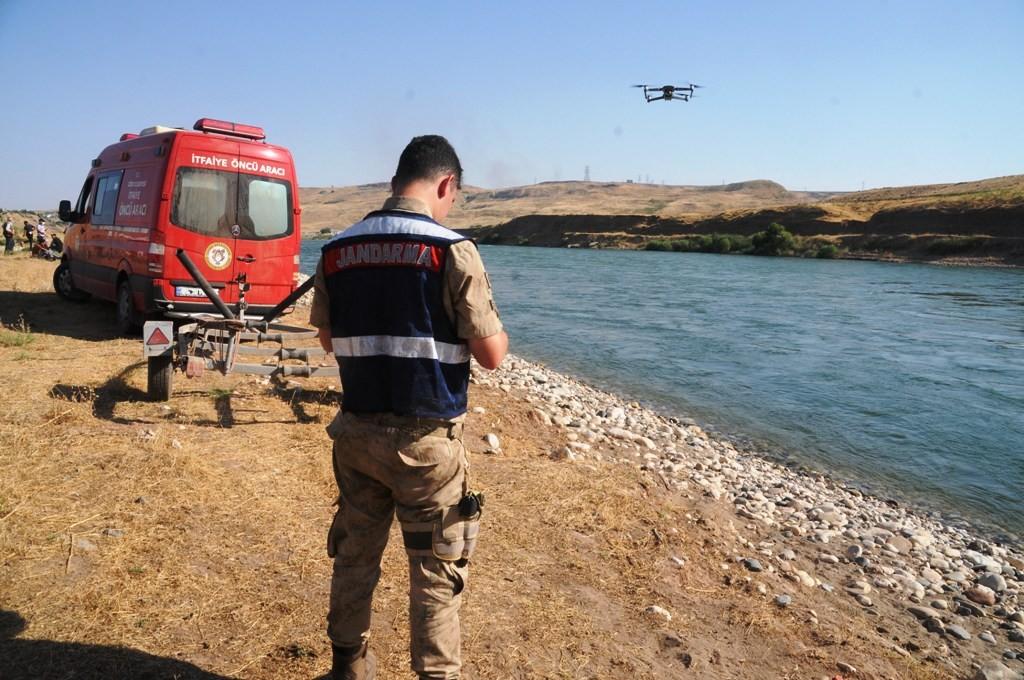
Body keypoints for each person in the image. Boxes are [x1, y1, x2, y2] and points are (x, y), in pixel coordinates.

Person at [309, 135, 508, 680]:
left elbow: (327, 339)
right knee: (435, 575)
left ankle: (349, 667)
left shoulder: (337, 250)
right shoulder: (452, 250)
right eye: (453, 198)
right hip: (426, 448)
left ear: (397, 180)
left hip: (355, 436)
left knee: (354, 558)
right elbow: (490, 355)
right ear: (446, 184)